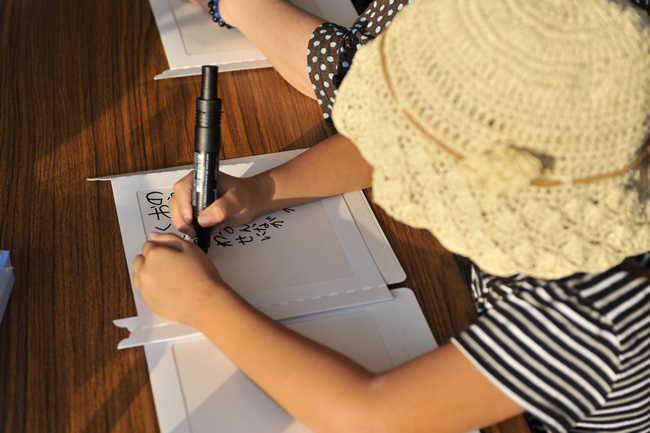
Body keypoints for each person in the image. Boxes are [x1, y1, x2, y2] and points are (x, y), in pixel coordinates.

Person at [133, 0, 650, 432]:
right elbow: (396, 148)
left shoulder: (595, 314)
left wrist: (203, 302)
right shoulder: (578, 162)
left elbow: (365, 415)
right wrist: (264, 189)